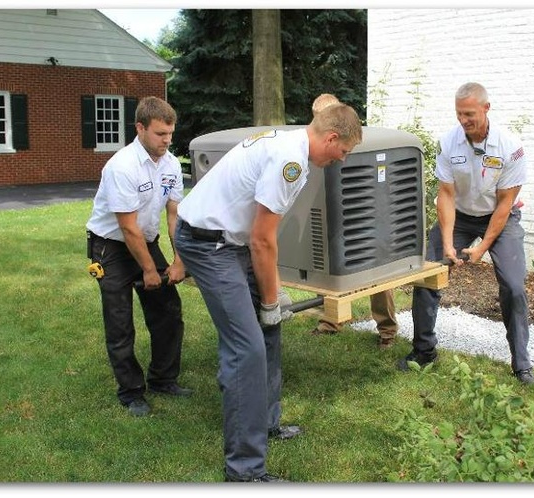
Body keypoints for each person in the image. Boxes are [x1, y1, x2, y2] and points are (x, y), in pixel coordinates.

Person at [175, 102, 363, 482]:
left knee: (270, 328)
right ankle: (244, 472)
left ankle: (264, 425)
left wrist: (271, 302)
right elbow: (263, 241)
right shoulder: (289, 162)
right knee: (246, 349)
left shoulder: (290, 144)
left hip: (232, 241)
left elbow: (259, 238)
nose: (341, 160)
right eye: (343, 152)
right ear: (331, 138)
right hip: (209, 244)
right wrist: (271, 298)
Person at [400, 82, 534, 385]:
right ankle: (423, 351)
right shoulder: (448, 143)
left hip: (500, 217)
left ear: (486, 109)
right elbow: (446, 195)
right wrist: (448, 243)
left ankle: (522, 364)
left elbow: (504, 204)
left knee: (514, 286)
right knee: (427, 274)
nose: (464, 120)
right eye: (459, 114)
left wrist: (483, 247)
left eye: (470, 114)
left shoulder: (510, 147)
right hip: (460, 215)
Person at [86, 96, 192, 417]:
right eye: (160, 134)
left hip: (146, 240)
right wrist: (148, 269)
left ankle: (163, 379)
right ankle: (131, 392)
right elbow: (127, 227)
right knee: (120, 322)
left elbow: (174, 216)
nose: (167, 141)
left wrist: (178, 260)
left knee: (168, 311)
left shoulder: (172, 164)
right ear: (140, 128)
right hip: (111, 247)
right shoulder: (122, 166)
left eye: (170, 134)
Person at [308, 93, 399, 349]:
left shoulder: (359, 140)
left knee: (376, 272)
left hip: (364, 214)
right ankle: (331, 322)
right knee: (329, 266)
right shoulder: (321, 140)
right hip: (331, 211)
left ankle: (387, 331)